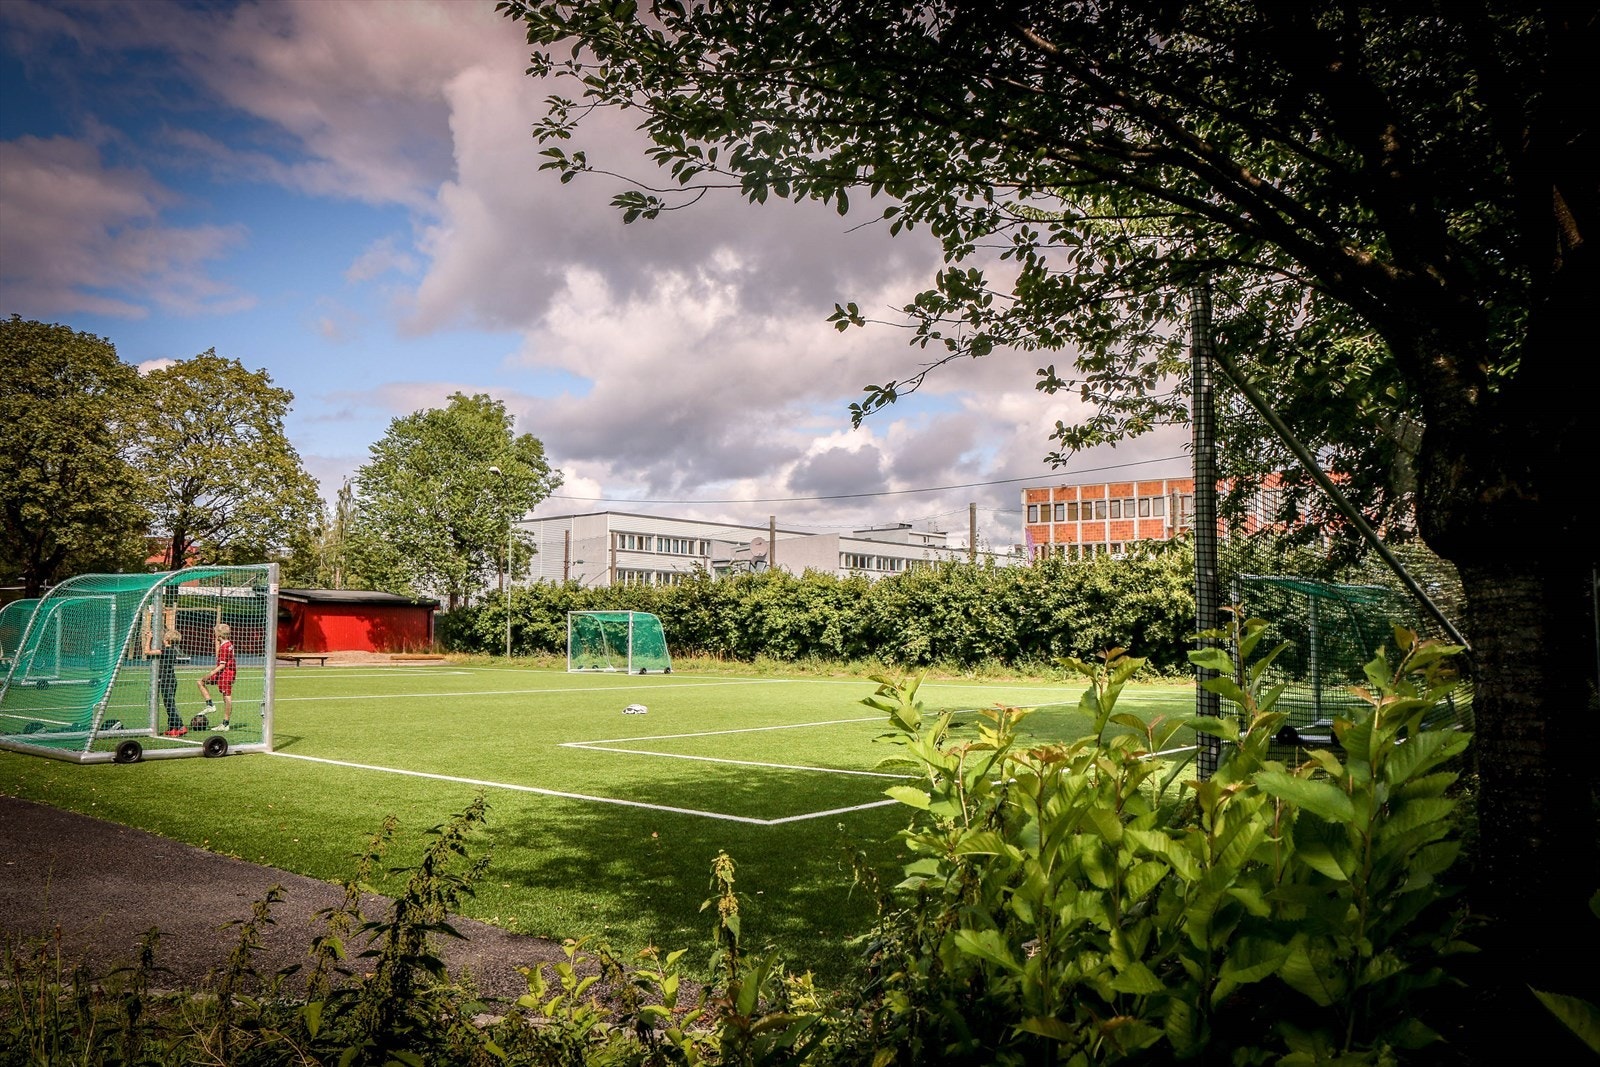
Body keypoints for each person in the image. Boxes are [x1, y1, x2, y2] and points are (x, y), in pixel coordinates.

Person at [197, 622, 236, 730]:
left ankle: (225, 724)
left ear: (219, 634)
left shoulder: (224, 647)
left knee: (227, 698)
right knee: (200, 682)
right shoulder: (228, 644)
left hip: (225, 675)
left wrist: (209, 674)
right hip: (223, 674)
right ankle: (210, 705)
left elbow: (222, 665)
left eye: (215, 632)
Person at [148, 627, 185, 737]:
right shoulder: (170, 650)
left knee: (169, 704)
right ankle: (172, 727)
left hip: (166, 680)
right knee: (169, 703)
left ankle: (180, 726)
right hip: (171, 680)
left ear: (167, 639)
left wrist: (149, 638)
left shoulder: (167, 651)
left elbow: (147, 652)